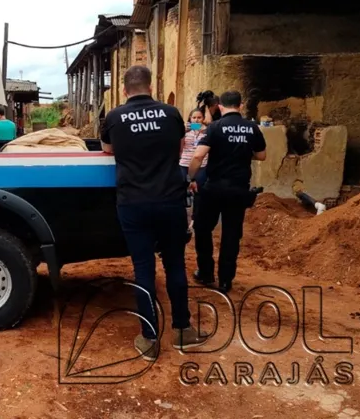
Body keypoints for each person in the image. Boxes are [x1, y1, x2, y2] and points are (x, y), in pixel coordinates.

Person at [101, 65, 209, 362]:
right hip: (169, 199)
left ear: (124, 90)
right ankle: (183, 330)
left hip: (133, 202)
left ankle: (149, 340)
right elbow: (179, 149)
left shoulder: (113, 117)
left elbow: (108, 149)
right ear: (151, 87)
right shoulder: (171, 113)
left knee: (143, 269)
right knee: (175, 265)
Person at [187, 90, 267, 293]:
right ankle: (225, 280)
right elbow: (262, 155)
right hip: (238, 189)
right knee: (231, 234)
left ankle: (205, 273)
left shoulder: (214, 127)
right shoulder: (252, 128)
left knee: (203, 229)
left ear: (220, 106)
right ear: (240, 105)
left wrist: (190, 177)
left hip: (214, 188)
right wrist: (241, 153)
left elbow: (198, 156)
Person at [180, 108, 209, 226]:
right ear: (190, 119)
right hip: (184, 164)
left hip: (201, 165)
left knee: (200, 193)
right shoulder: (184, 130)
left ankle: (196, 218)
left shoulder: (207, 131)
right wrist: (182, 131)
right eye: (194, 118)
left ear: (203, 119)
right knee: (181, 191)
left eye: (199, 117)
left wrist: (204, 129)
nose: (196, 120)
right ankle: (181, 219)